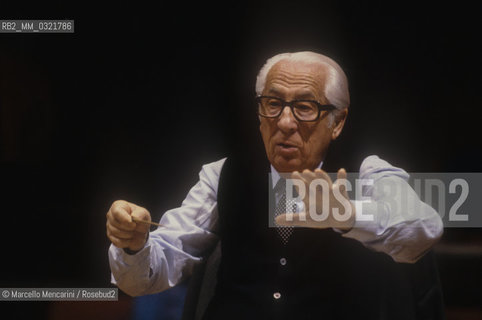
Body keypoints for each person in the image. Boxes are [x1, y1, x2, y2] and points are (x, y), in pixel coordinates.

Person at [107, 51, 445, 319]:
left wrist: (349, 215)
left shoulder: (365, 171)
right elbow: (148, 275)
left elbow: (424, 228)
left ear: (337, 121)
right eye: (273, 104)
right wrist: (135, 245)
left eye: (304, 107)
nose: (284, 122)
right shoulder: (223, 175)